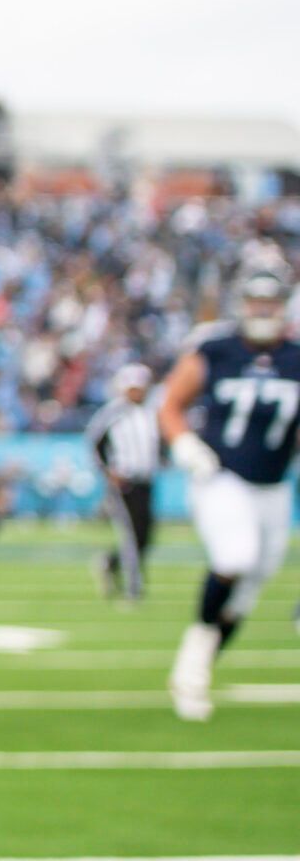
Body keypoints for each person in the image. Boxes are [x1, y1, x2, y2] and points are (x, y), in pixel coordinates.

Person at [158, 260, 299, 722]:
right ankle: (195, 657)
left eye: (270, 302)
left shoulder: (295, 357)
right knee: (234, 557)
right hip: (222, 476)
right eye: (256, 301)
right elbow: (171, 404)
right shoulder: (216, 349)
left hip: (274, 487)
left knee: (248, 590)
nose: (263, 309)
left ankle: (198, 664)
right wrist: (183, 444)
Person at [86, 363, 160, 601]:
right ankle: (134, 588)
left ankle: (110, 563)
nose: (138, 393)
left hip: (146, 480)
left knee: (145, 535)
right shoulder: (113, 412)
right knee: (130, 535)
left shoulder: (152, 411)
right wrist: (108, 472)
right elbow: (94, 443)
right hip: (124, 482)